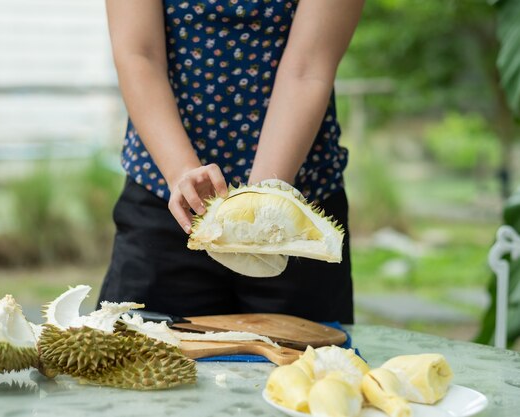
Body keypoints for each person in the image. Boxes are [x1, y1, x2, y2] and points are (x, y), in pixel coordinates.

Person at [98, 0, 365, 324]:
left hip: (296, 214)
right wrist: (182, 171)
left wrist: (263, 204)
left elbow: (308, 68)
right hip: (166, 201)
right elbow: (139, 55)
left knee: (304, 371)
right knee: (131, 365)